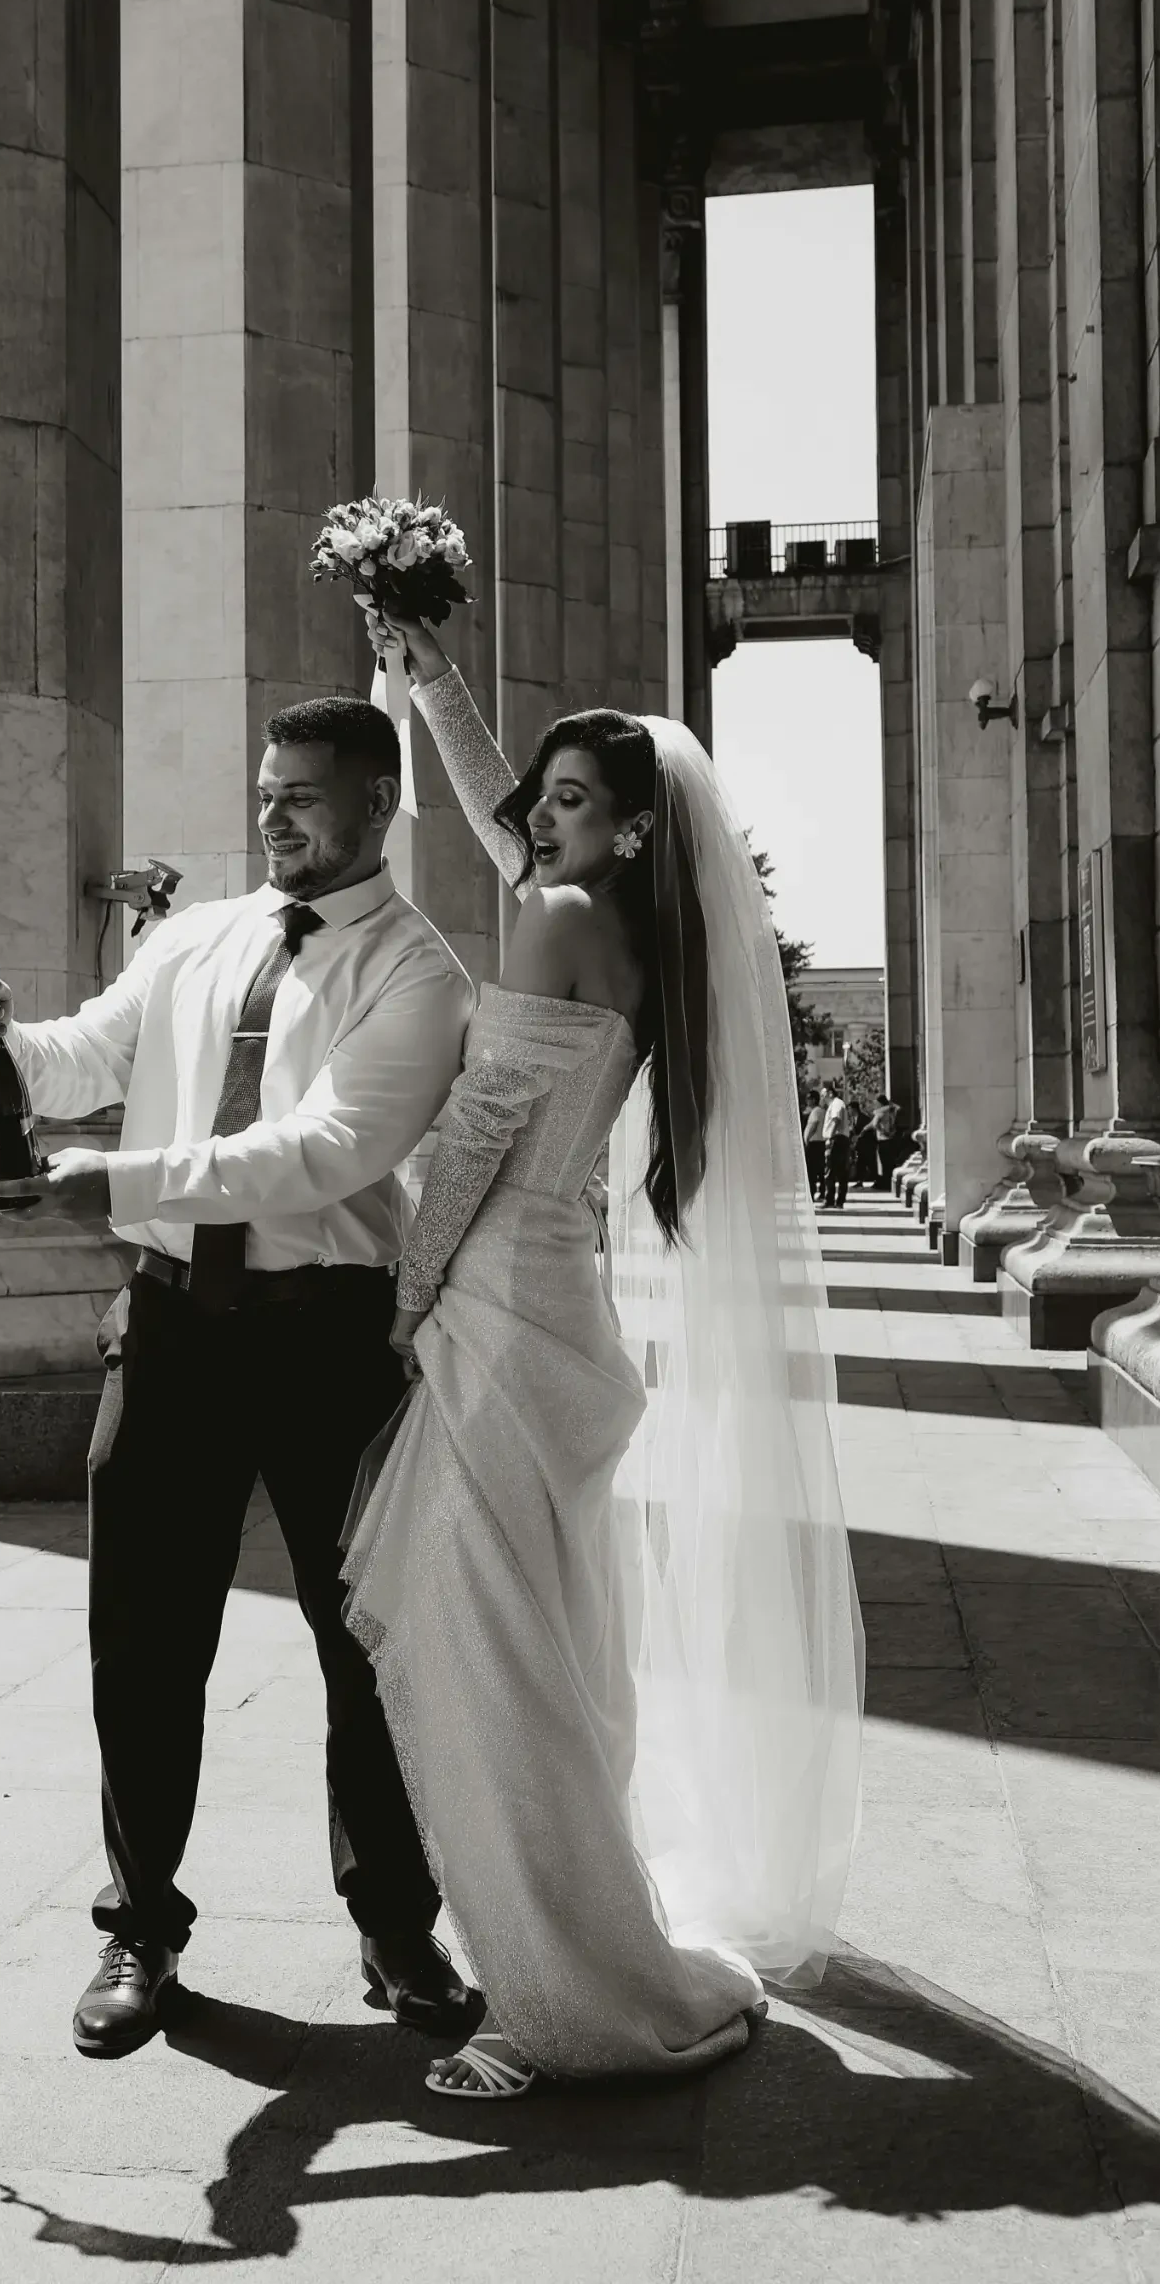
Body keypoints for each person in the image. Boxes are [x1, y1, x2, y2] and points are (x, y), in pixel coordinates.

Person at [345, 614, 863, 2100]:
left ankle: (561, 1995)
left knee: (489, 1650)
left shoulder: (561, 919)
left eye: (576, 803)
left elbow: (484, 1132)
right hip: (559, 1299)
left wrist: (407, 1288)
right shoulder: (625, 929)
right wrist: (427, 663)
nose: (545, 818)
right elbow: (497, 796)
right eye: (550, 798)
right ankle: (553, 1938)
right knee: (538, 1640)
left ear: (635, 829)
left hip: (499, 1302)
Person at [0, 697, 479, 2061]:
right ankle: (141, 1927)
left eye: (303, 794)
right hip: (172, 1327)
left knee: (365, 1646)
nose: (274, 815)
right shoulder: (195, 938)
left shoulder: (420, 978)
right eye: (265, 790)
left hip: (329, 1337)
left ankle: (396, 1921)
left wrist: (117, 1182)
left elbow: (323, 1150)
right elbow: (83, 1060)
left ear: (375, 805)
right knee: (142, 1637)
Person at [821, 1088, 851, 1209]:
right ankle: (838, 1201)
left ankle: (830, 1200)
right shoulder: (837, 1104)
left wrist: (830, 1137)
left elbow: (836, 1120)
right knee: (840, 1171)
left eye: (823, 1095)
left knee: (830, 1170)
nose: (822, 1098)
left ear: (830, 1093)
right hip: (840, 1139)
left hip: (836, 1139)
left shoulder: (836, 1103)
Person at [801, 1091, 828, 1199]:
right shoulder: (820, 1111)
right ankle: (822, 1192)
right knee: (820, 1170)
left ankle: (811, 1193)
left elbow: (814, 1125)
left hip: (814, 1143)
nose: (807, 1101)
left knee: (811, 1170)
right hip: (820, 1142)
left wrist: (807, 1137)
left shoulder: (816, 1111)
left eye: (809, 1099)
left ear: (814, 1099)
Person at [872, 1094, 902, 1190]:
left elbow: (874, 1124)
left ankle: (885, 1184)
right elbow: (899, 1107)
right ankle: (891, 1183)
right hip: (892, 1138)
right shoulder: (892, 1110)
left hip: (883, 1139)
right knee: (891, 1162)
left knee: (884, 1162)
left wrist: (882, 1131)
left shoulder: (880, 1112)